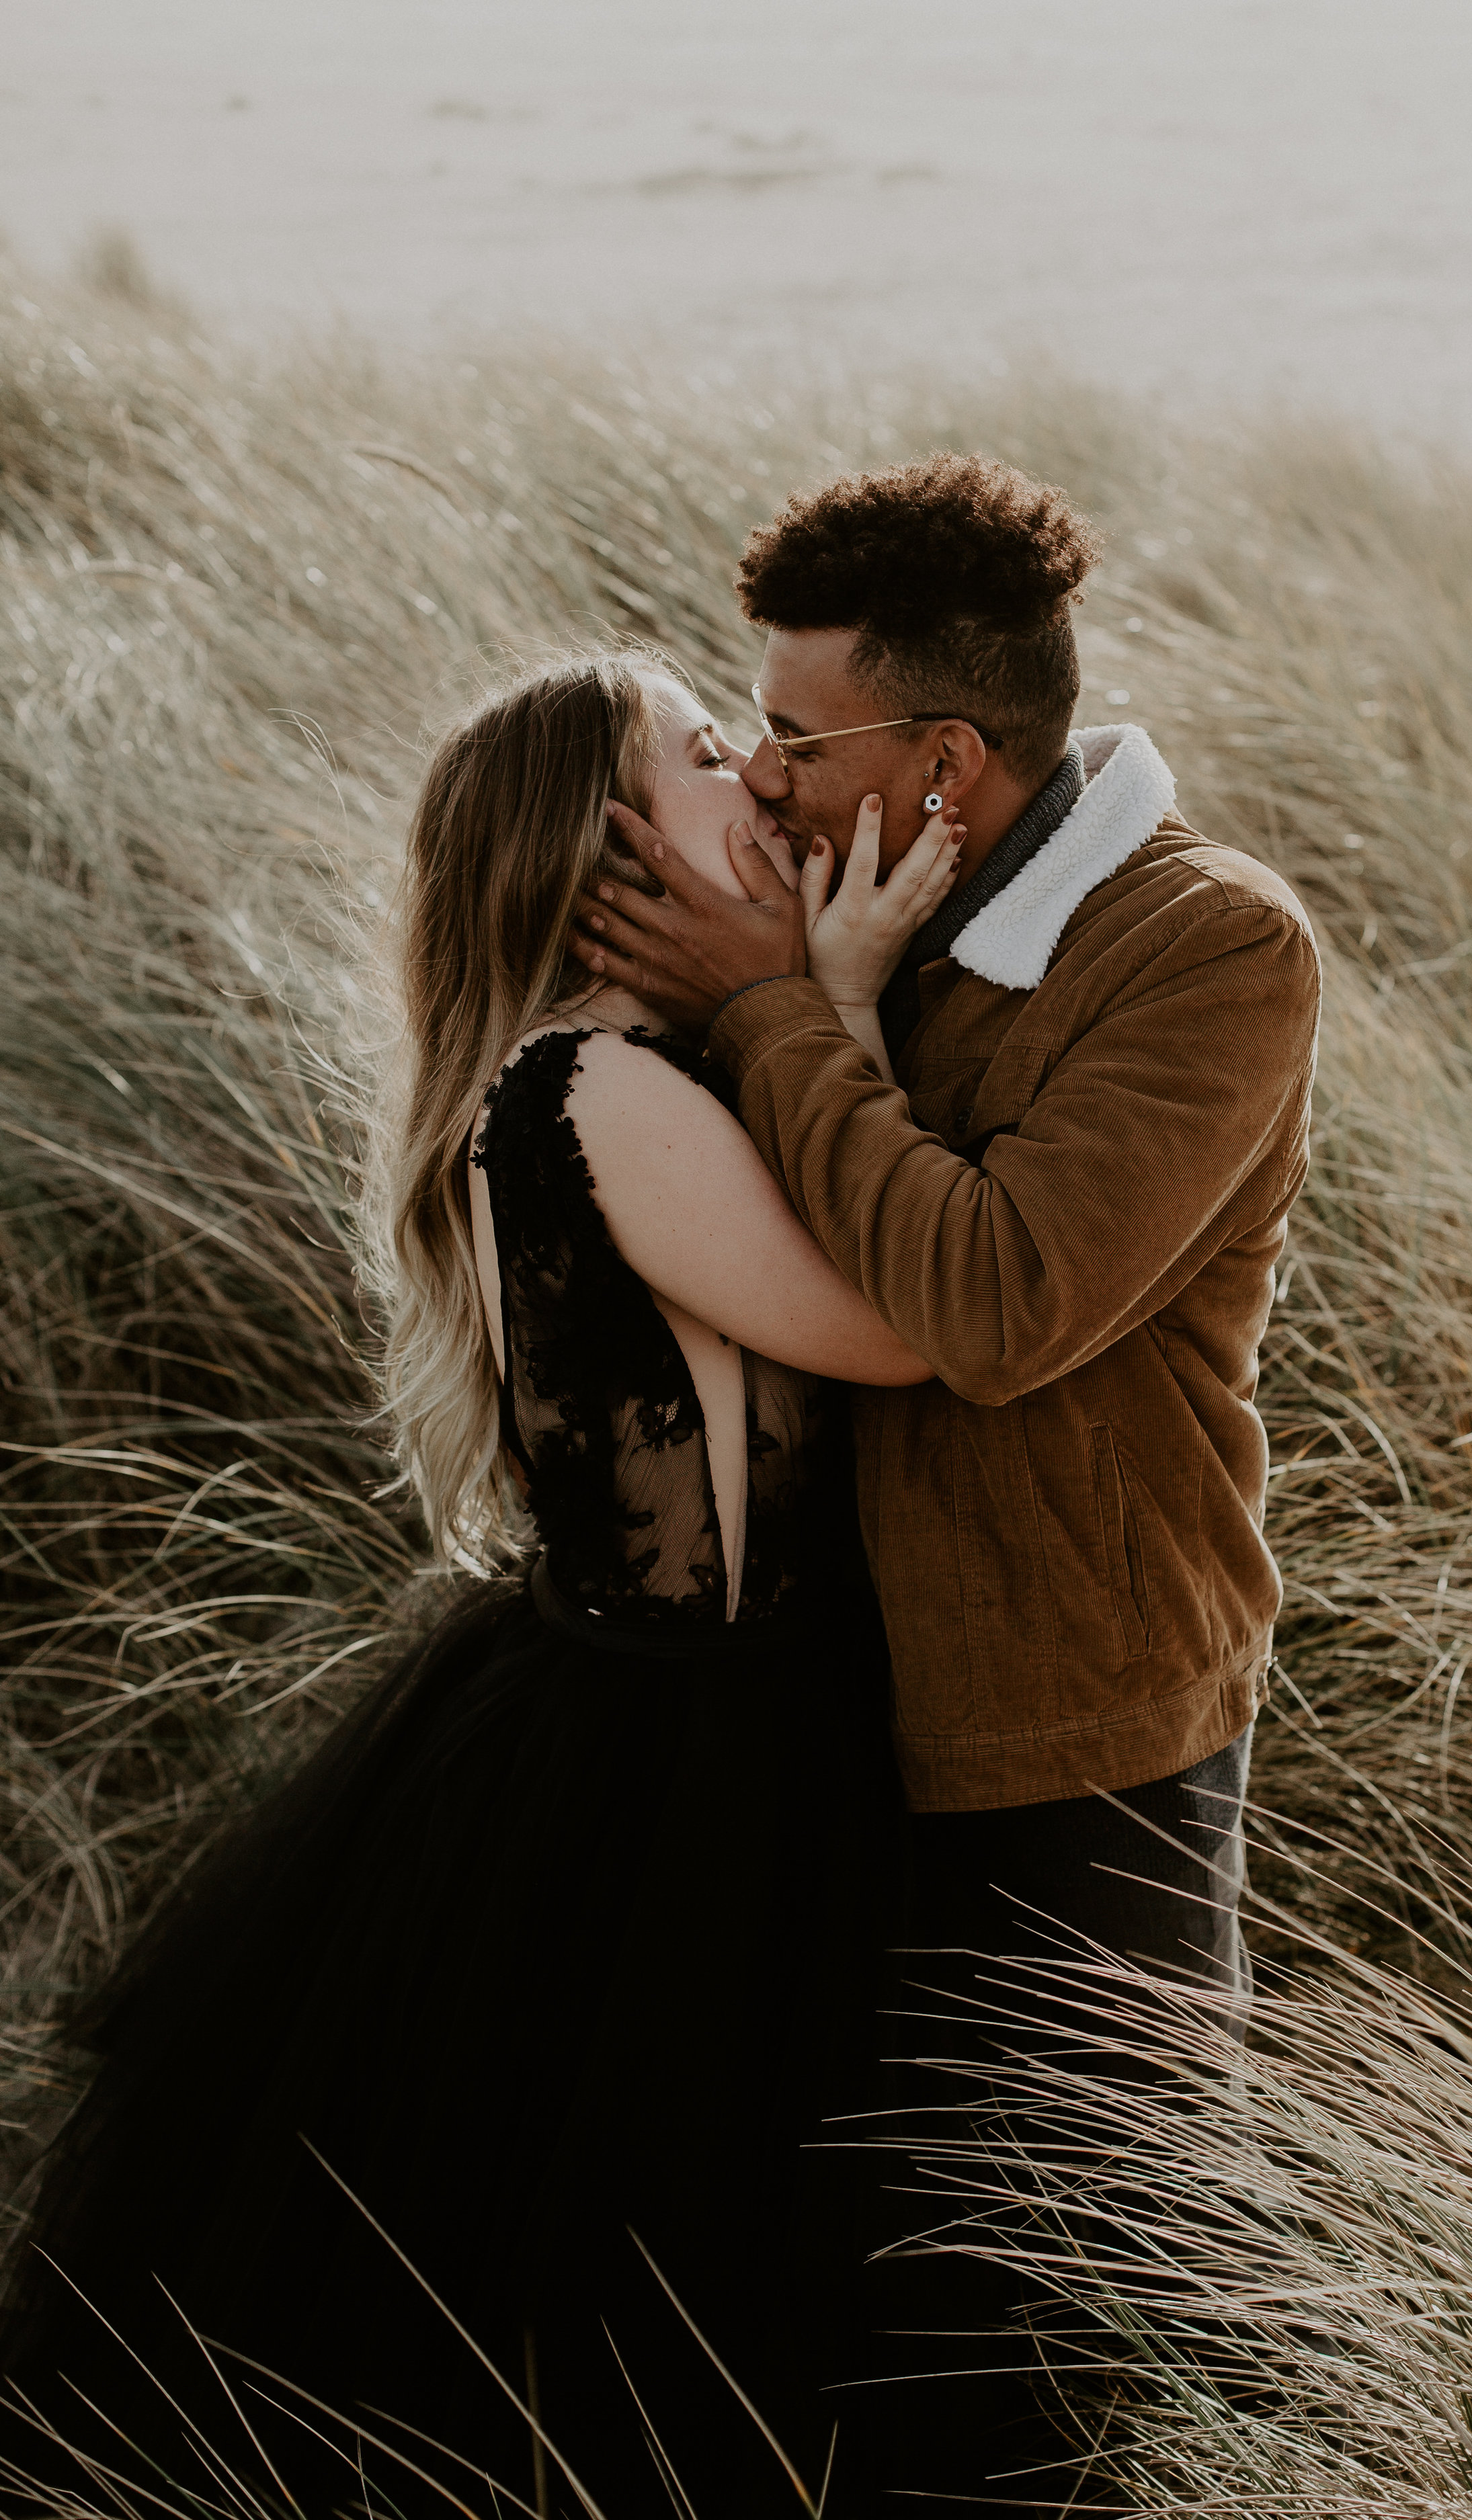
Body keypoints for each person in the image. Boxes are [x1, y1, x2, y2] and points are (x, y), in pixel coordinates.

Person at [0, 650, 964, 2520]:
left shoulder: (629, 1073)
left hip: (668, 1714)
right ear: (604, 855)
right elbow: (896, 1327)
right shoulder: (597, 1089)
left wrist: (812, 1002)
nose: (756, 780)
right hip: (684, 1759)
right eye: (703, 755)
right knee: (628, 2290)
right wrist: (820, 998)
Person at [570, 453, 1323, 2507]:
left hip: (1077, 1713)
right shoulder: (846, 904)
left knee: (1105, 2279)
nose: (771, 778)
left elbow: (993, 1302)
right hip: (816, 1713)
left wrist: (773, 1012)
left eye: (800, 738)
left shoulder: (1202, 953)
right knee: (856, 2298)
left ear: (949, 758)